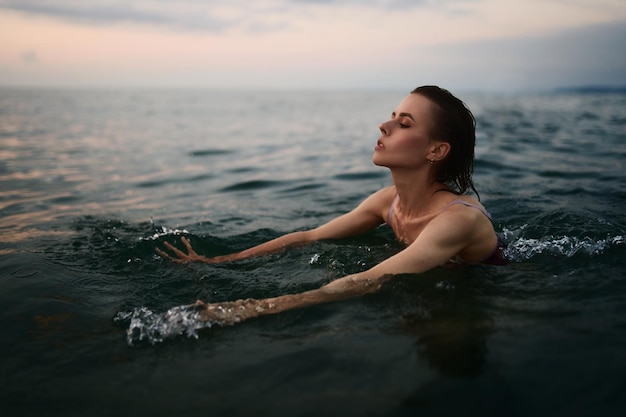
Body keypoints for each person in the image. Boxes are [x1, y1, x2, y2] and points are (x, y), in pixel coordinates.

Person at [157, 85, 507, 325]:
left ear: (436, 150)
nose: (383, 126)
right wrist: (219, 262)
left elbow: (367, 280)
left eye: (403, 124)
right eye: (392, 116)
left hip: (489, 289)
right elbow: (310, 237)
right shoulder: (389, 202)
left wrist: (248, 309)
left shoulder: (457, 220)